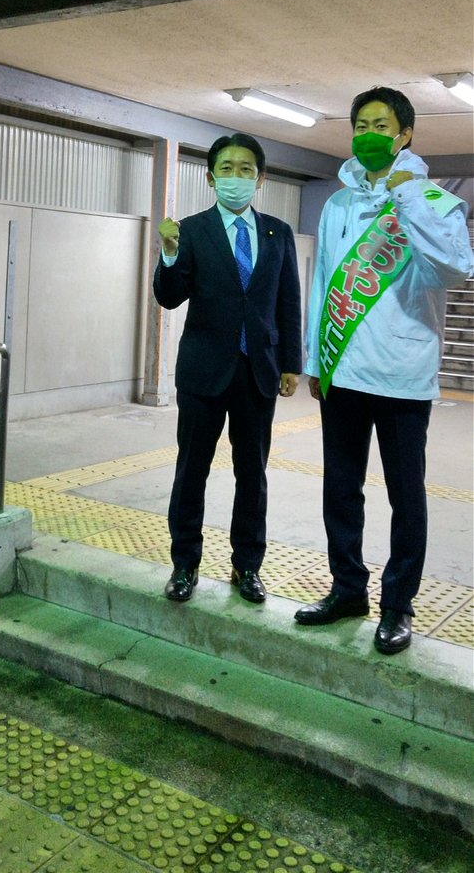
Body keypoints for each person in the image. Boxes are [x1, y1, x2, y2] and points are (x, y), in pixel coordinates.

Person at [295, 87, 473, 654]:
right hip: (343, 373)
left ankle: (398, 605)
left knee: (406, 497)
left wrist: (408, 196)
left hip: (403, 375)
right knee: (340, 490)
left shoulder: (438, 202)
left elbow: (454, 268)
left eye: (380, 125)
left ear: (405, 135)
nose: (368, 134)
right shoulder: (339, 205)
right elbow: (324, 281)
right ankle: (347, 590)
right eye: (360, 125)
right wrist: (315, 361)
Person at [153, 132, 302, 604]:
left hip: (258, 371)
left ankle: (247, 566)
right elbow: (169, 297)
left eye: (245, 169)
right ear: (210, 177)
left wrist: (291, 363)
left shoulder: (278, 232)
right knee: (191, 470)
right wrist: (170, 254)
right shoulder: (190, 230)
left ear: (260, 179)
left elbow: (288, 301)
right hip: (204, 372)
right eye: (227, 169)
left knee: (252, 474)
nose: (236, 177)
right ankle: (185, 564)